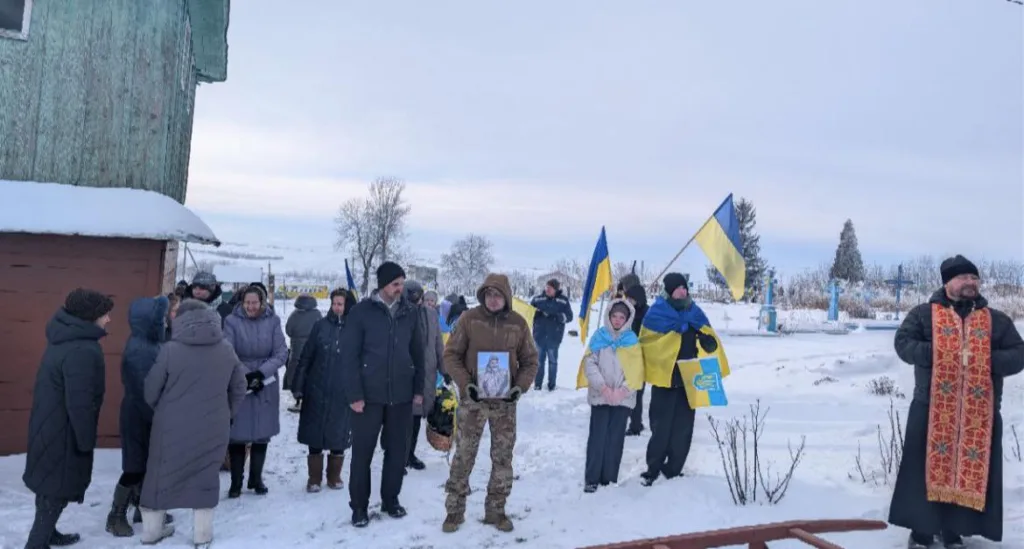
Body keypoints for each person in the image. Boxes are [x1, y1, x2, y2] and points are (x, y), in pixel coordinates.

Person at [889, 255, 1024, 549]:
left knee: (968, 473)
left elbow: (1018, 354)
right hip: (931, 408)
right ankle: (922, 532)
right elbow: (903, 344)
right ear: (947, 282)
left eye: (974, 278)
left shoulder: (996, 320)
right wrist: (937, 353)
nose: (970, 283)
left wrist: (987, 359)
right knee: (924, 473)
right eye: (963, 278)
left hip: (979, 413)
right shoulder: (923, 314)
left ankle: (954, 531)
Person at [137, 299, 247, 545]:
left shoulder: (170, 350)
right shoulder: (226, 349)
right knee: (205, 476)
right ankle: (202, 535)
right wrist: (226, 413)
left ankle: (152, 532)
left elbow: (150, 390)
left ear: (182, 320)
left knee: (159, 475)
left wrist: (164, 410)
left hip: (170, 426)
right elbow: (239, 387)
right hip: (214, 425)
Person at [441, 273, 539, 534]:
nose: (493, 299)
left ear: (506, 297)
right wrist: (466, 384)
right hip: (473, 402)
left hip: (505, 404)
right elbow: (451, 355)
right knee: (464, 456)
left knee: (502, 458)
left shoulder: (517, 324)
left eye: (498, 295)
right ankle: (454, 511)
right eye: (489, 294)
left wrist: (519, 386)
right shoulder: (469, 320)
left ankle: (496, 511)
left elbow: (530, 361)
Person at [23, 289, 113, 549]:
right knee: (55, 491)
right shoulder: (82, 349)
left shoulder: (65, 338)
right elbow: (80, 402)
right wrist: (85, 441)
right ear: (90, 316)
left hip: (51, 425)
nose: (108, 319)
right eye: (105, 314)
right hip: (64, 433)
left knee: (49, 486)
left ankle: (48, 534)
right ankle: (36, 544)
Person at [340, 262, 425, 527]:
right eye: (395, 284)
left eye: (402, 283)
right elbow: (349, 356)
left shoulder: (410, 312)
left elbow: (418, 353)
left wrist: (418, 389)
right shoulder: (361, 312)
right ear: (382, 285)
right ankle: (359, 507)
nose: (400, 289)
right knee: (362, 454)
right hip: (368, 397)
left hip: (401, 395)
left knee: (397, 452)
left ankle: (391, 499)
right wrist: (354, 394)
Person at [639, 273, 719, 487]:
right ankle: (653, 468)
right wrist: (673, 334)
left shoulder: (694, 312)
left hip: (690, 377)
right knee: (660, 426)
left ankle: (674, 468)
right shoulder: (657, 313)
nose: (683, 291)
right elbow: (646, 343)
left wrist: (706, 339)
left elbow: (711, 342)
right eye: (678, 288)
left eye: (684, 288)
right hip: (664, 377)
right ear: (668, 291)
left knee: (683, 427)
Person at [106, 295, 174, 537]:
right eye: (161, 319)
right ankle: (115, 516)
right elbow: (145, 392)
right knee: (134, 468)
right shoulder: (140, 350)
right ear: (149, 321)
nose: (165, 322)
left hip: (147, 416)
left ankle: (143, 509)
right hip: (140, 417)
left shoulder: (151, 344)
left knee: (147, 465)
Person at [222, 285, 289, 498]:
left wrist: (260, 374)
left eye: (255, 303)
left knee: (262, 433)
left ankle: (256, 478)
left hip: (265, 382)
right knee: (237, 434)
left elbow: (281, 352)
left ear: (262, 303)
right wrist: (246, 375)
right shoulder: (231, 322)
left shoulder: (273, 321)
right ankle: (236, 482)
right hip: (239, 380)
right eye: (247, 303)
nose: (251, 307)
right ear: (242, 303)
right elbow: (227, 351)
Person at [293, 288, 357, 492]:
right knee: (315, 435)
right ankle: (314, 478)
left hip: (342, 392)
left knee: (339, 434)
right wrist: (298, 385)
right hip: (317, 388)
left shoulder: (355, 330)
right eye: (334, 303)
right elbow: (306, 356)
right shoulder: (320, 326)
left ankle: (334, 475)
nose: (336, 307)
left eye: (340, 304)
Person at [579, 299, 642, 492]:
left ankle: (609, 477)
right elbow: (590, 364)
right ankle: (592, 478)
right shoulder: (599, 337)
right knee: (597, 438)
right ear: (608, 315)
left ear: (627, 319)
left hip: (622, 399)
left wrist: (622, 391)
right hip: (601, 396)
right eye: (614, 316)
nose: (617, 320)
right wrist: (604, 388)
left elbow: (636, 371)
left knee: (615, 439)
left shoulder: (632, 341)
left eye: (622, 317)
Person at [404, 283, 448, 471]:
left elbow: (439, 345)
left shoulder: (431, 315)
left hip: (426, 374)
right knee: (402, 419)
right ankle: (398, 457)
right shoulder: (399, 314)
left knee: (415, 418)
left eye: (418, 295)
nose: (417, 299)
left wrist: (445, 370)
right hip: (404, 374)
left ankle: (409, 454)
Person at [530, 278, 574, 391]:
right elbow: (528, 312)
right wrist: (536, 313)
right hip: (539, 336)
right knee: (539, 362)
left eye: (550, 288)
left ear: (556, 289)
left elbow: (569, 316)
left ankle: (551, 386)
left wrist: (558, 316)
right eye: (547, 287)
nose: (547, 289)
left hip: (554, 337)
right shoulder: (537, 299)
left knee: (552, 362)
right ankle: (537, 385)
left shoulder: (563, 301)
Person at [620, 278, 650, 436]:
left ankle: (635, 425)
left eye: (630, 299)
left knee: (636, 393)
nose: (628, 301)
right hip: (626, 357)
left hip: (640, 358)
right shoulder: (627, 312)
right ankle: (630, 420)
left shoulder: (647, 314)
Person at [284, 294, 323, 412]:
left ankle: (298, 399)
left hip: (297, 348)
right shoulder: (317, 314)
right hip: (313, 348)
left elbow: (288, 330)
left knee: (295, 372)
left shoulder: (294, 315)